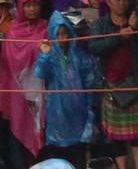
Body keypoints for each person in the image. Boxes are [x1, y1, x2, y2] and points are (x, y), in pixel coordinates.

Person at [89, 0, 138, 169]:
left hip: (136, 82)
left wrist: (136, 29)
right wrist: (120, 36)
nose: (122, 3)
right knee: (116, 134)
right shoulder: (100, 24)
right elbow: (95, 47)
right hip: (112, 84)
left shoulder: (136, 20)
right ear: (109, 2)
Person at [34, 10, 96, 167]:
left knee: (79, 155)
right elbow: (41, 73)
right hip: (57, 115)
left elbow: (89, 82)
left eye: (65, 33)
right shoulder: (50, 55)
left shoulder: (79, 55)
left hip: (79, 112)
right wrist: (45, 55)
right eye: (58, 34)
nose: (62, 38)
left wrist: (91, 108)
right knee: (60, 157)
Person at [0, 0, 48, 163]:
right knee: (19, 143)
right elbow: (6, 68)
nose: (32, 9)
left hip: (42, 93)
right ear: (20, 7)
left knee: (43, 136)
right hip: (19, 94)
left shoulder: (46, 28)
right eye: (27, 5)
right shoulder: (12, 33)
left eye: (35, 5)